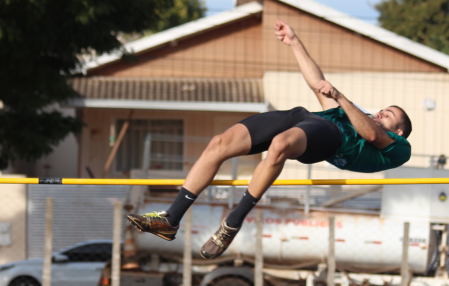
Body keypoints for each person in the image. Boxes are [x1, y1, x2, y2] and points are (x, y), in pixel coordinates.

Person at [128, 19, 413, 259]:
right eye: (381, 110)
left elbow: (371, 134)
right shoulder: (350, 113)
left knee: (279, 145)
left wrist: (340, 96)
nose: (380, 113)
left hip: (332, 138)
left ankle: (232, 223)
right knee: (218, 144)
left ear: (398, 131)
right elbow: (318, 85)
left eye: (388, 115)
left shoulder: (399, 148)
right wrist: (294, 42)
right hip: (304, 118)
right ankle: (170, 219)